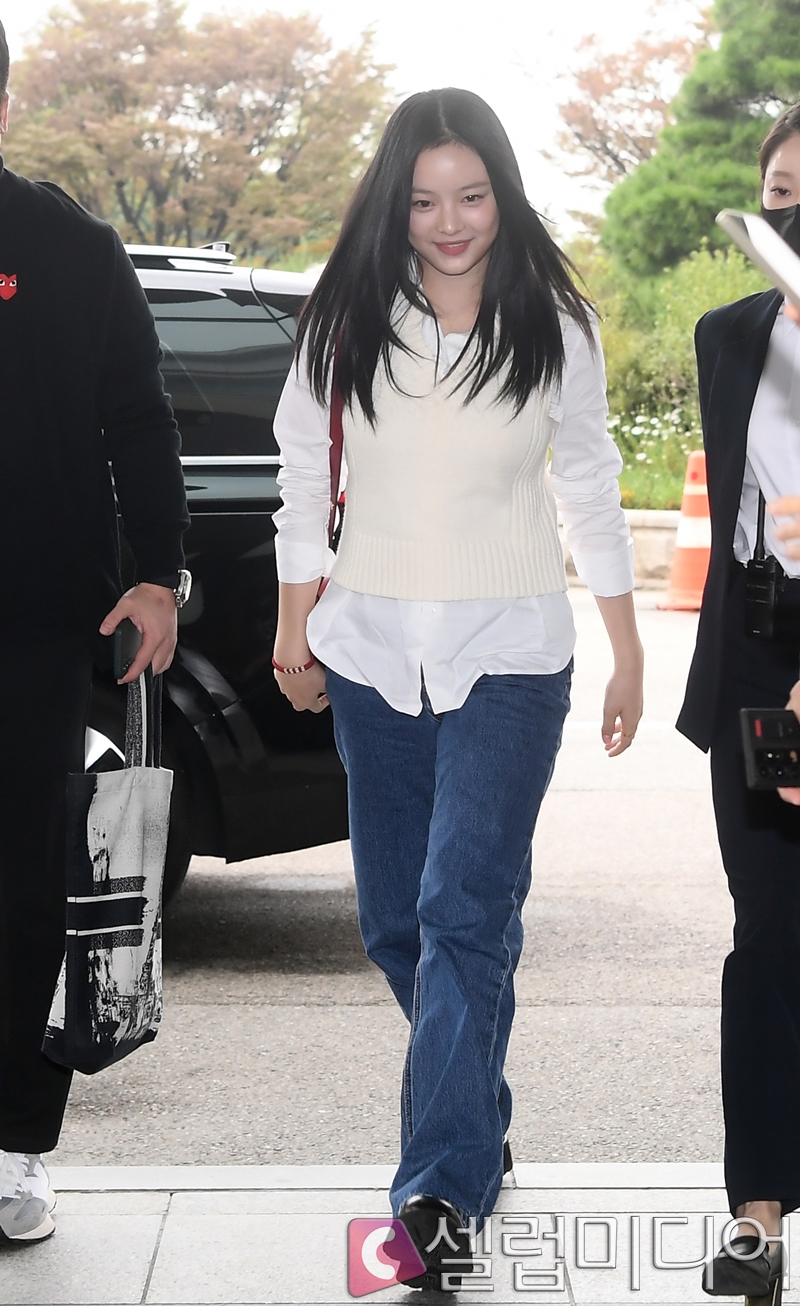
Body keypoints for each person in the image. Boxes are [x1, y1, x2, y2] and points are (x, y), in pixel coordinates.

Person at [272, 86, 643, 1289]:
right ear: (395, 202)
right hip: (370, 653)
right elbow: (302, 474)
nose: (449, 222)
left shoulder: (556, 323)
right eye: (425, 200)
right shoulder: (342, 318)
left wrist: (628, 648)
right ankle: (476, 1116)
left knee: (460, 911)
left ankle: (435, 1189)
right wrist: (293, 627)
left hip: (511, 653)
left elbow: (587, 483)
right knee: (397, 922)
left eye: (471, 196)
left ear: (502, 194)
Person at [0, 20, 190, 1242]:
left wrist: (159, 575)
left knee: (28, 891)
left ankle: (16, 1143)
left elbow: (140, 418)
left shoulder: (69, 246)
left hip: (34, 625)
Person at [677, 102, 800, 1304]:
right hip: (762, 667)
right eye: (779, 193)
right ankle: (754, 1212)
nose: (793, 213)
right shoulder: (726, 337)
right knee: (766, 927)